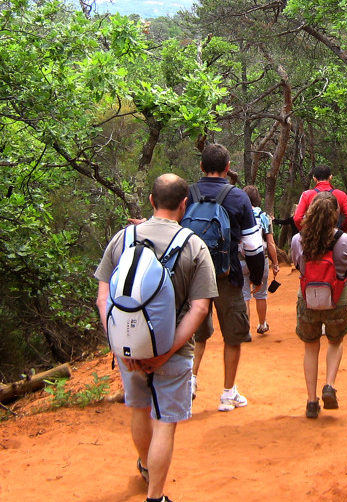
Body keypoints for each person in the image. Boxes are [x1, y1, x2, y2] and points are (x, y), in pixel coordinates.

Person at [95, 174, 217, 502]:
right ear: (184, 205)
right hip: (174, 352)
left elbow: (103, 297)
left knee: (139, 410)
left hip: (128, 346)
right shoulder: (194, 246)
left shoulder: (123, 239)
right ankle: (156, 495)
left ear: (151, 200)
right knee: (165, 422)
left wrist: (121, 346)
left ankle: (146, 467)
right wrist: (166, 352)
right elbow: (200, 309)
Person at [186, 144, 266, 411]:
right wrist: (255, 277)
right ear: (228, 167)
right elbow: (254, 246)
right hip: (227, 276)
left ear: (200, 167)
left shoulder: (187, 194)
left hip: (192, 277)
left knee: (196, 333)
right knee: (233, 335)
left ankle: (190, 382)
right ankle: (228, 393)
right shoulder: (238, 197)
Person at [290, 192, 347, 418]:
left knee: (310, 346)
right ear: (335, 215)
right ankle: (329, 385)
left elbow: (298, 266)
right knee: (335, 341)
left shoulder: (298, 240)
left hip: (308, 301)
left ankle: (311, 401)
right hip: (338, 300)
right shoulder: (345, 240)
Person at [241, 185, 280, 336]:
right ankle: (262, 324)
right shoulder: (264, 217)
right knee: (261, 294)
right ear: (257, 199)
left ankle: (245, 331)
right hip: (260, 259)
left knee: (244, 295)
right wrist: (275, 263)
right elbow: (270, 243)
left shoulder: (238, 214)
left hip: (241, 260)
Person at [293, 164, 347, 232]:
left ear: (314, 178)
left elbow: (297, 218)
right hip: (334, 236)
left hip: (313, 236)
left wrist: (306, 232)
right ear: (330, 177)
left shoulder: (306, 195)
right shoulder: (341, 195)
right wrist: (341, 231)